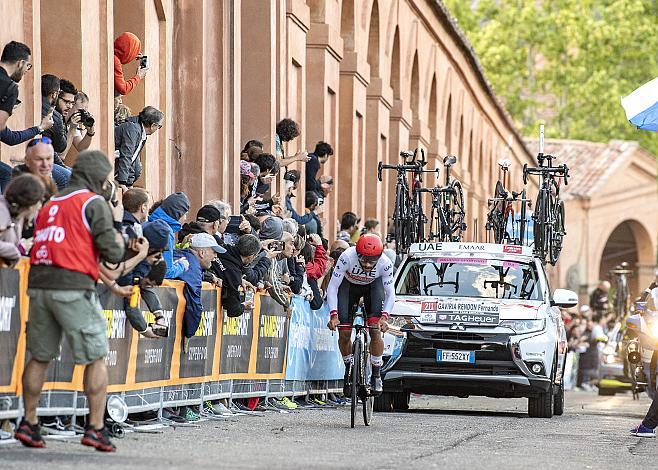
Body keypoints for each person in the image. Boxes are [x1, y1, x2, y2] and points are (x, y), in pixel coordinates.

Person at [15, 150, 125, 452]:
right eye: (106, 179)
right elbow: (112, 253)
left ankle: (29, 421)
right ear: (97, 178)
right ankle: (96, 427)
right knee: (96, 355)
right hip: (73, 284)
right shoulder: (94, 202)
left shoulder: (52, 202)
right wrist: (122, 239)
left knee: (39, 355)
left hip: (39, 281)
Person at [326, 234, 395, 396]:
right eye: (363, 260)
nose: (367, 265)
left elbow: (390, 293)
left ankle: (376, 375)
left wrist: (385, 317)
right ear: (357, 254)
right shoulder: (346, 257)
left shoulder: (385, 263)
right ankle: (349, 369)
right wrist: (333, 315)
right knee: (344, 333)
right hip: (348, 288)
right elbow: (333, 287)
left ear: (379, 257)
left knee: (375, 329)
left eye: (372, 261)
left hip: (373, 288)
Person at [175, 233, 225, 342]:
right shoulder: (193, 267)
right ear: (202, 253)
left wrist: (208, 276)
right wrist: (189, 333)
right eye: (214, 252)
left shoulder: (182, 256)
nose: (216, 257)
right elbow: (194, 305)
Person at [0, 174, 44, 265]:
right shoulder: (2, 210)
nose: (39, 206)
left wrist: (21, 245)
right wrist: (17, 250)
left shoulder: (19, 215)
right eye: (38, 201)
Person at [114, 105, 164, 187]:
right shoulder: (133, 129)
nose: (158, 128)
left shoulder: (140, 132)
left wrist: (129, 183)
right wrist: (122, 182)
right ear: (153, 125)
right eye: (159, 126)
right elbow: (126, 155)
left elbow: (132, 159)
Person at [214, 234, 260, 318]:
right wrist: (244, 305)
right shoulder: (234, 275)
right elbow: (233, 310)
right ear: (250, 257)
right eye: (255, 256)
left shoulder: (219, 245)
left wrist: (240, 280)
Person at [148, 191, 190, 279]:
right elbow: (166, 272)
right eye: (185, 214)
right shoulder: (165, 231)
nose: (185, 218)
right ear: (178, 213)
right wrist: (182, 265)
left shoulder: (149, 223)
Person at [0, 41, 32, 132]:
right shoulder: (10, 88)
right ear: (20, 63)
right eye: (27, 65)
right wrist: (8, 110)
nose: (26, 70)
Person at [62, 91, 96, 159]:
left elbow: (81, 148)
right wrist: (72, 128)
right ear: (71, 105)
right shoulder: (59, 120)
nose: (82, 115)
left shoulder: (72, 122)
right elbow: (62, 155)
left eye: (84, 112)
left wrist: (90, 133)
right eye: (80, 111)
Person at [114, 32, 148, 96]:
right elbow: (123, 89)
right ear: (129, 50)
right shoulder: (115, 61)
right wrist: (138, 76)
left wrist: (135, 55)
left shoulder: (114, 55)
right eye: (134, 50)